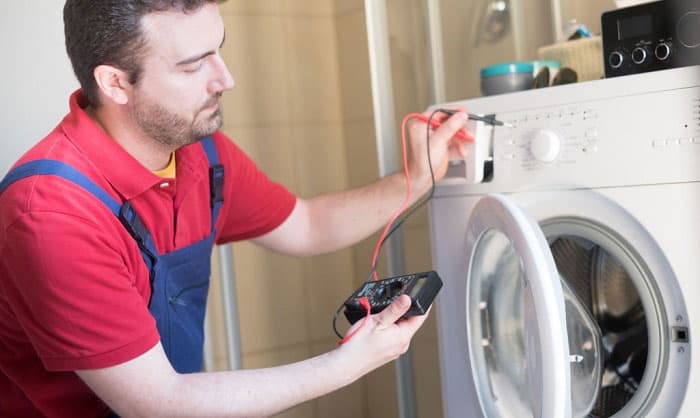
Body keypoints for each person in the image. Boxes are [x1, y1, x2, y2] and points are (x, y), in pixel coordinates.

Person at [0, 1, 470, 417]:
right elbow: (157, 404)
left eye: (218, 50)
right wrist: (346, 365)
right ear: (116, 83)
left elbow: (306, 226)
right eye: (193, 65)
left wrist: (415, 178)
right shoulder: (51, 213)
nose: (226, 79)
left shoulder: (199, 154)